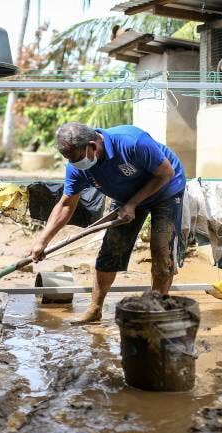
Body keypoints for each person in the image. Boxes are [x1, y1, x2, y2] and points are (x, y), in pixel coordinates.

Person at [29, 122, 186, 324]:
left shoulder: (133, 142)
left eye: (76, 158)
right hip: (125, 197)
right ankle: (95, 309)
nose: (73, 163)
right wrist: (42, 240)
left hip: (166, 190)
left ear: (93, 146)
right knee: (111, 250)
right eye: (69, 159)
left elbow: (166, 173)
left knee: (161, 250)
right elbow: (66, 205)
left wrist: (133, 204)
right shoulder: (77, 168)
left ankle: (155, 310)